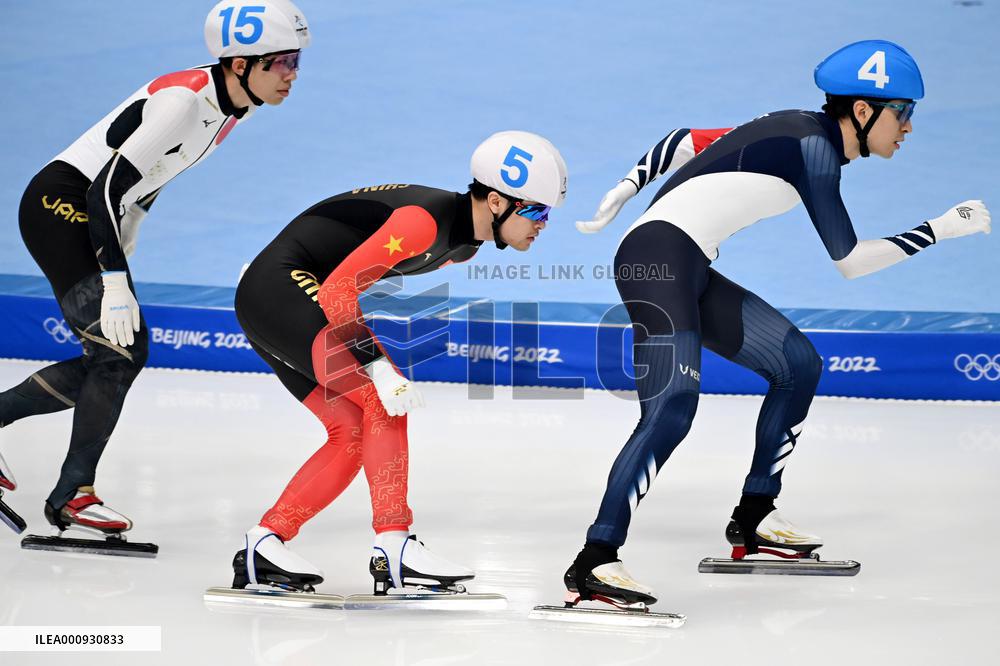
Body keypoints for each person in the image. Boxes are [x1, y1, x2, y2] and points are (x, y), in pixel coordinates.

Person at [564, 40, 991, 608]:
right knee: (672, 406)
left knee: (798, 364)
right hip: (656, 259)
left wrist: (626, 187)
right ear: (862, 111)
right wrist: (940, 228)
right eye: (902, 112)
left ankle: (756, 516)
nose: (908, 126)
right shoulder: (813, 149)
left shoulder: (795, 128)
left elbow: (684, 140)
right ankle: (595, 560)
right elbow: (852, 262)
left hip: (685, 261)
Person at [0, 1, 311, 548]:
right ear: (240, 64)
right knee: (121, 351)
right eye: (282, 61)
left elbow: (157, 172)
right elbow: (102, 187)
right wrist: (114, 279)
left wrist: (133, 225)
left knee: (119, 353)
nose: (292, 74)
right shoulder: (182, 104)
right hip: (63, 203)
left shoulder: (236, 108)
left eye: (296, 61)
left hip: (97, 211)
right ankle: (73, 494)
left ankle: (71, 489)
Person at [229, 131, 567, 595]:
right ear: (495, 201)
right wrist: (378, 366)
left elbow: (345, 263)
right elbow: (337, 290)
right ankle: (394, 545)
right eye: (536, 211)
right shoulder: (423, 224)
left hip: (278, 293)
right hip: (283, 290)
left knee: (350, 429)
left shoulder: (466, 244)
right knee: (385, 402)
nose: (543, 224)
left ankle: (263, 544)